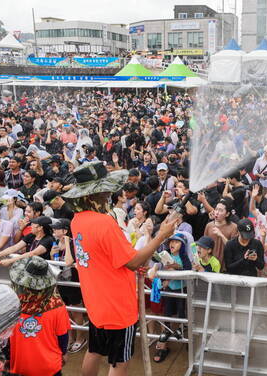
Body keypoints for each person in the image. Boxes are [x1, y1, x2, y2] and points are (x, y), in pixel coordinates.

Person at [62, 161, 180, 376]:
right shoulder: (104, 223)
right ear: (92, 195)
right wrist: (161, 235)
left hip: (96, 302)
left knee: (94, 350)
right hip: (117, 306)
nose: (108, 193)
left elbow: (107, 258)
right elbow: (133, 261)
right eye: (104, 190)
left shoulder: (77, 220)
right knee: (119, 362)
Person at [7, 256, 71, 376]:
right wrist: (64, 352)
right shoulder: (57, 305)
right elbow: (63, 336)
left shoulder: (11, 304)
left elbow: (4, 339)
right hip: (49, 367)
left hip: (20, 366)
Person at [152, 232, 191, 363]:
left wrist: (176, 268)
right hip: (169, 289)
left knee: (182, 313)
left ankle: (183, 335)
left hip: (181, 289)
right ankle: (166, 335)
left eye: (177, 242)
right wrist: (164, 277)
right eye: (171, 241)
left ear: (183, 245)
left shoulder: (184, 257)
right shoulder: (165, 255)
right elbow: (156, 262)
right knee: (167, 313)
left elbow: (188, 270)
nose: (172, 244)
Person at [50, 218, 87, 354]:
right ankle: (70, 338)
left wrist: (66, 241)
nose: (53, 230)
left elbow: (69, 261)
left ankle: (80, 338)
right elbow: (53, 260)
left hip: (73, 283)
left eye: (56, 228)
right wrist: (52, 253)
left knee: (76, 311)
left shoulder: (73, 243)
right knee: (66, 312)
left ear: (65, 231)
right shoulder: (56, 243)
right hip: (61, 282)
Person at [203, 200, 238, 268]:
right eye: (216, 209)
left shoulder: (234, 227)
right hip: (210, 265)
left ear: (227, 214)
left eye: (221, 210)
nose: (217, 212)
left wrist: (221, 235)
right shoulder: (209, 226)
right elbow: (204, 246)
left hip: (226, 266)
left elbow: (234, 248)